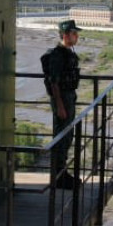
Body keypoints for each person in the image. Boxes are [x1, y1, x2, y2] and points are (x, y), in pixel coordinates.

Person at [46, 19, 81, 189]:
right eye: (74, 33)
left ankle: (62, 173)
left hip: (68, 97)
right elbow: (54, 82)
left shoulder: (67, 53)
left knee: (67, 137)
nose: (77, 36)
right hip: (62, 99)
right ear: (65, 35)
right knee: (61, 137)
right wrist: (59, 105)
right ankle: (58, 176)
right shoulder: (57, 55)